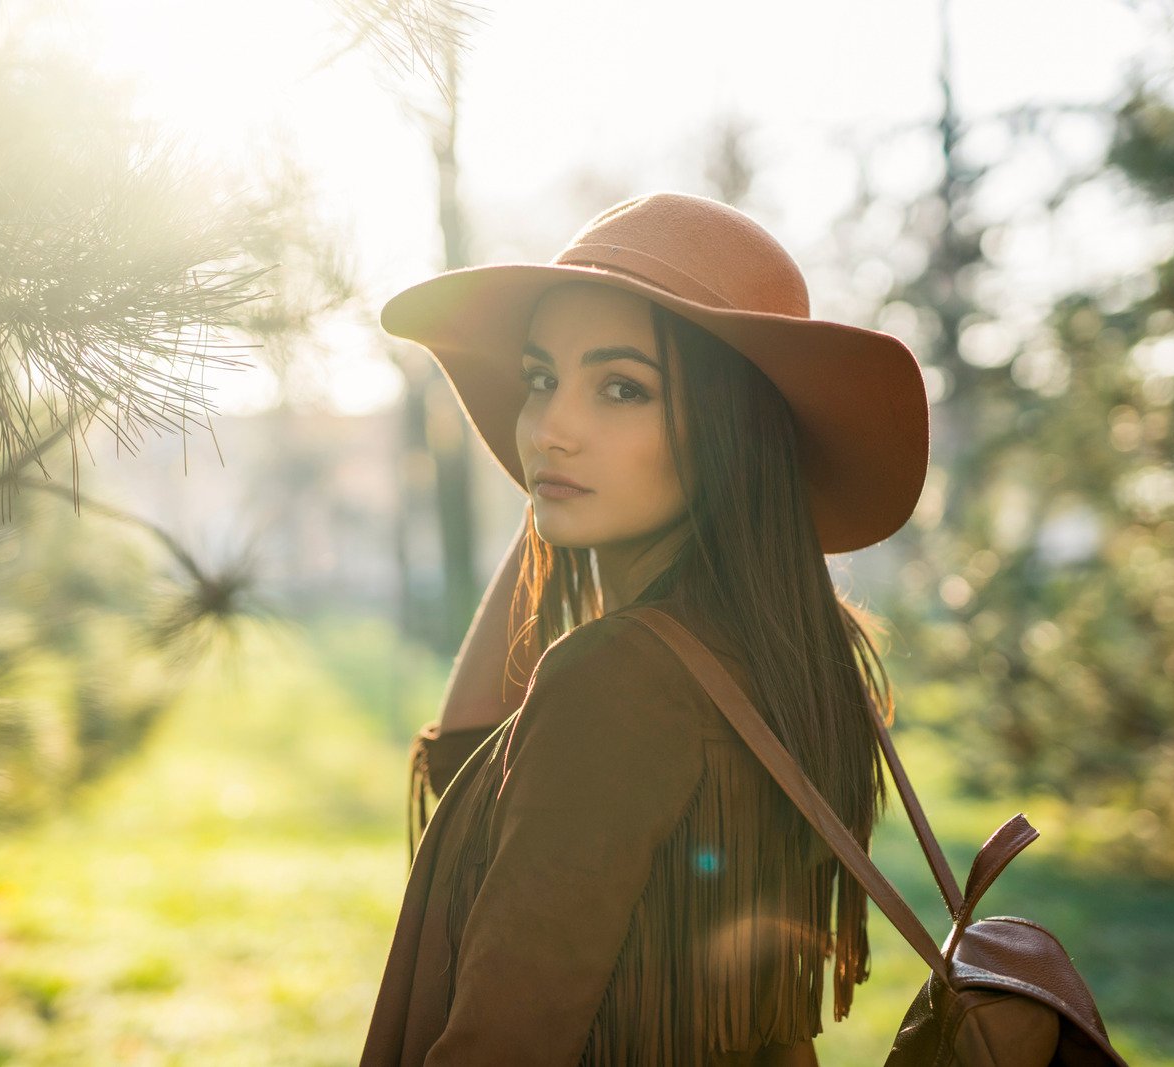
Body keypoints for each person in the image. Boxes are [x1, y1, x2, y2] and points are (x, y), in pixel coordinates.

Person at [361, 192, 929, 1065]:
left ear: (728, 429)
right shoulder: (797, 660)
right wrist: (557, 490)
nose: (551, 426)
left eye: (623, 387)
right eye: (542, 378)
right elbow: (476, 763)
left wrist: (564, 478)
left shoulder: (620, 674)